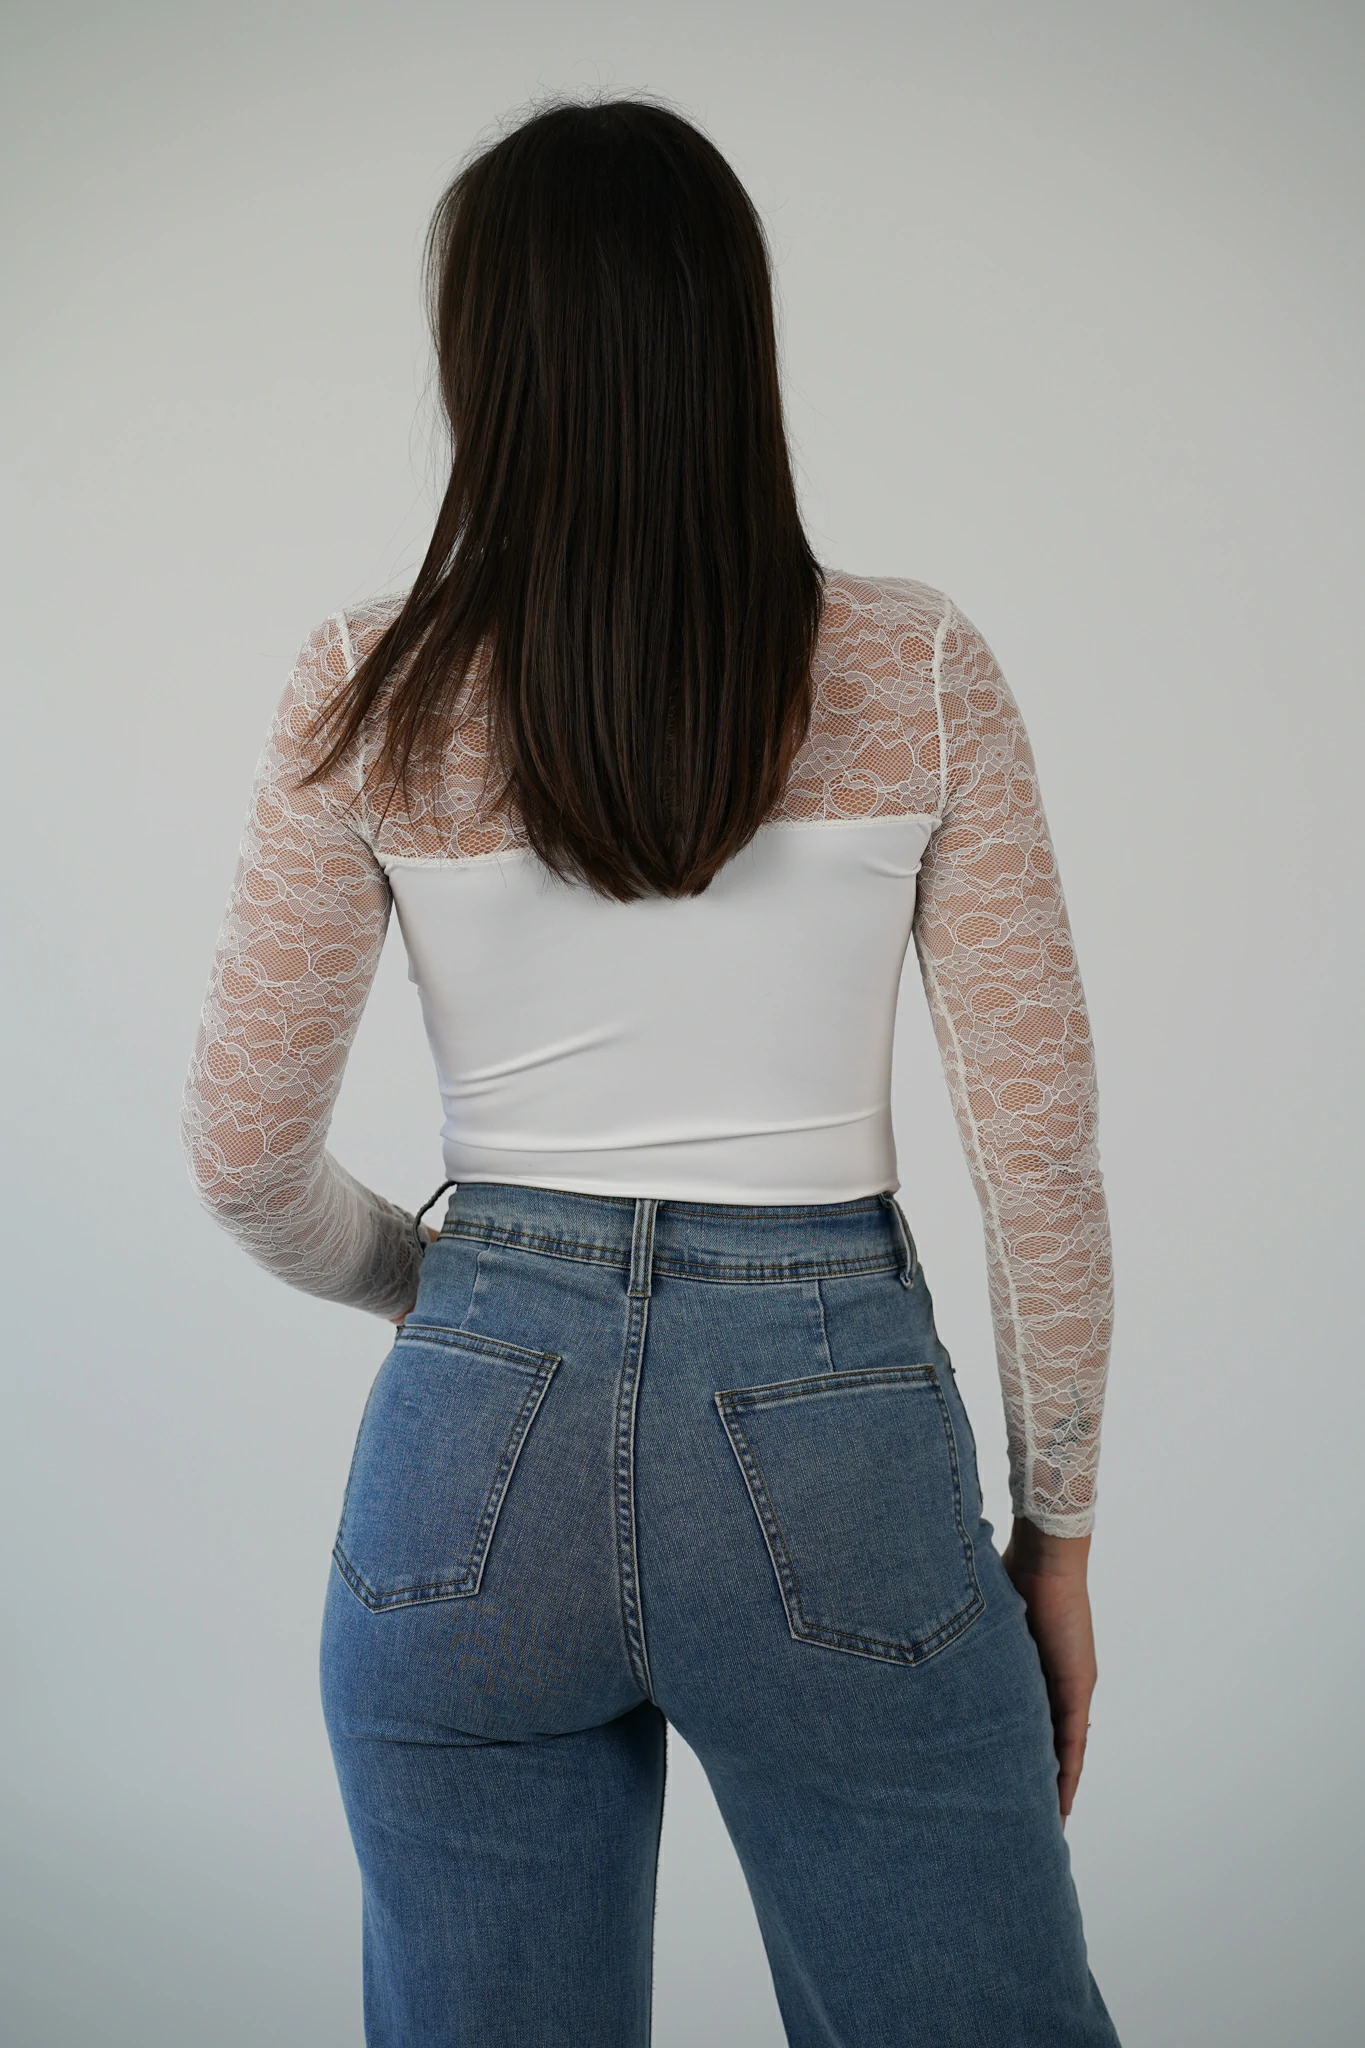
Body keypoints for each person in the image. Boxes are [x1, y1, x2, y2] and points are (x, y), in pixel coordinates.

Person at [181, 96, 1118, 2048]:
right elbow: (1035, 1161)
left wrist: (456, 1291)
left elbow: (247, 1155)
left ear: (485, 364)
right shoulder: (915, 668)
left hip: (469, 1445)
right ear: (731, 341)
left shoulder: (370, 680)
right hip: (833, 1446)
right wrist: (1059, 1534)